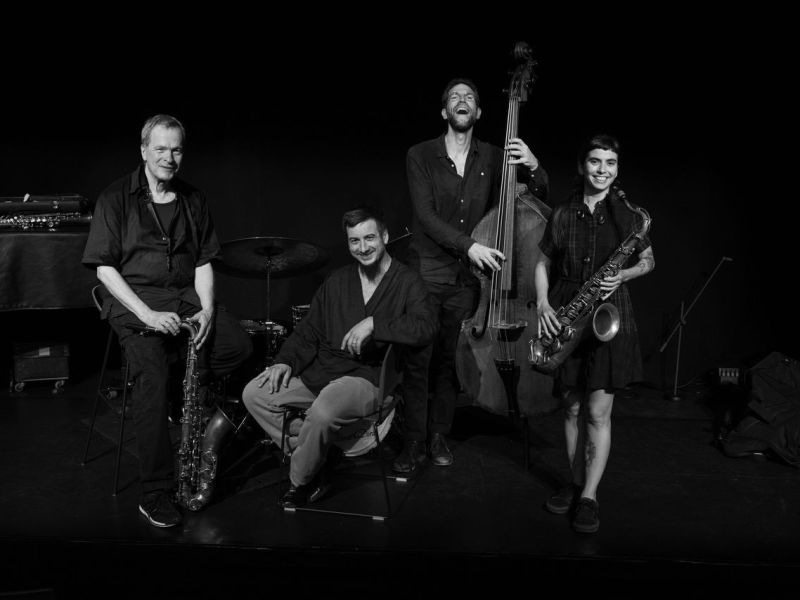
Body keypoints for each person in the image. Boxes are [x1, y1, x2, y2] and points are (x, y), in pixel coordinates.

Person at [82, 114, 253, 528]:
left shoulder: (193, 199)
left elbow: (205, 260)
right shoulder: (115, 198)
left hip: (184, 299)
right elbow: (104, 268)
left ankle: (183, 392)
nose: (168, 158)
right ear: (144, 150)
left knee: (239, 347)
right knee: (152, 382)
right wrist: (148, 315)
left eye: (176, 150)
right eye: (160, 148)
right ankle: (155, 491)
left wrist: (207, 309)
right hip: (135, 303)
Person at [393, 77, 549, 473]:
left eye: (469, 97)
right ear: (444, 111)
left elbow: (536, 198)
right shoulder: (420, 155)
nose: (462, 100)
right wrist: (470, 246)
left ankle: (438, 435)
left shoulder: (495, 157)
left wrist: (534, 166)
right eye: (454, 96)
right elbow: (426, 217)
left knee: (449, 361)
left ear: (477, 112)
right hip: (426, 273)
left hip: (467, 280)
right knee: (418, 361)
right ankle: (412, 441)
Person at [242, 206, 437, 508]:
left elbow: (426, 327)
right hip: (323, 371)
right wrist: (285, 361)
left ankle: (301, 480)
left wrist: (375, 324)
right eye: (354, 241)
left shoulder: (407, 281)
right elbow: (309, 331)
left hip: (367, 378)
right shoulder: (337, 280)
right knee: (254, 394)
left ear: (385, 236)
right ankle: (320, 451)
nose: (363, 248)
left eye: (369, 238)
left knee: (322, 412)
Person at [535, 134, 655, 534]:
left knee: (598, 413)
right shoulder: (562, 213)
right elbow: (542, 261)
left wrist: (625, 273)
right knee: (571, 408)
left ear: (617, 169)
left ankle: (589, 496)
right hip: (568, 310)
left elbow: (649, 260)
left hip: (608, 315)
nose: (603, 170)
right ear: (582, 166)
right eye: (595, 161)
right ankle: (574, 483)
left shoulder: (630, 216)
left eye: (611, 163)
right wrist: (543, 304)